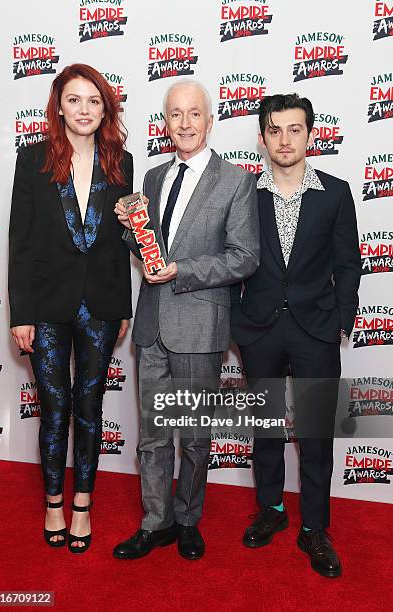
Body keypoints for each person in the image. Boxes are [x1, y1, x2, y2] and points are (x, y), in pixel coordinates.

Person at [112, 79, 259, 560]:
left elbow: (244, 257)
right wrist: (131, 230)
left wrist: (184, 271)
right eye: (176, 114)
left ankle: (189, 518)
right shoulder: (152, 178)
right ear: (166, 122)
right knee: (153, 437)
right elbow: (149, 251)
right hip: (152, 325)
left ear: (209, 120)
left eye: (194, 113)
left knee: (195, 438)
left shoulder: (235, 181)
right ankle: (157, 523)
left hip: (200, 327)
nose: (185, 123)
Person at [231, 93, 361, 577]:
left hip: (317, 330)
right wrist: (236, 323)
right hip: (259, 328)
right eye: (275, 130)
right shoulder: (244, 193)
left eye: (294, 129)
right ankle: (271, 509)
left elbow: (349, 263)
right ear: (262, 136)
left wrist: (342, 319)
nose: (284, 139)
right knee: (264, 428)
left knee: (315, 434)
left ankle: (315, 528)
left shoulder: (337, 192)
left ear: (310, 133)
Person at [8, 63, 133, 553]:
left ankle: (84, 502)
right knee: (55, 409)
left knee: (89, 406)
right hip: (46, 306)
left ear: (106, 109)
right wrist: (20, 314)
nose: (84, 110)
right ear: (58, 105)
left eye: (94, 101)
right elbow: (19, 243)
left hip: (101, 305)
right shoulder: (33, 159)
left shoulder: (119, 160)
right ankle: (54, 502)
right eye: (75, 100)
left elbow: (127, 239)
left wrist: (122, 305)